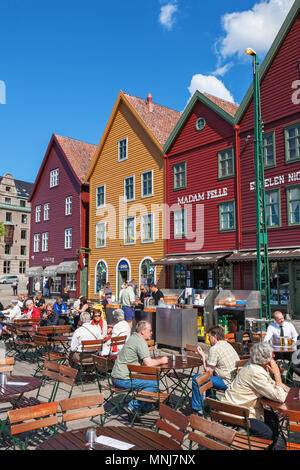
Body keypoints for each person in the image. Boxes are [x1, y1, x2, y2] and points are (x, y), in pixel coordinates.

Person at [222, 342, 289, 447]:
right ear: (265, 358)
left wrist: (282, 387)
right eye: (272, 353)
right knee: (266, 433)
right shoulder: (256, 372)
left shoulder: (253, 364)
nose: (274, 355)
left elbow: (270, 386)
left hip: (235, 407)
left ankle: (269, 447)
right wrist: (277, 374)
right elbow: (280, 397)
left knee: (273, 418)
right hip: (237, 413)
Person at [111, 320, 169, 421]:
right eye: (150, 330)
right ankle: (132, 406)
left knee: (150, 379)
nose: (151, 333)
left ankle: (145, 406)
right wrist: (162, 360)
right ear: (142, 331)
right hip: (123, 379)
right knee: (154, 383)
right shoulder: (140, 341)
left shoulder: (133, 338)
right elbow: (148, 363)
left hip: (116, 376)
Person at [191, 325, 239, 414]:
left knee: (197, 379)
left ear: (215, 337)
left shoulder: (214, 349)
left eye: (209, 337)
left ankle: (197, 409)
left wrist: (203, 356)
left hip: (227, 382)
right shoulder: (227, 344)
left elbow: (208, 372)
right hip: (236, 380)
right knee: (210, 378)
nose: (208, 339)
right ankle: (210, 406)